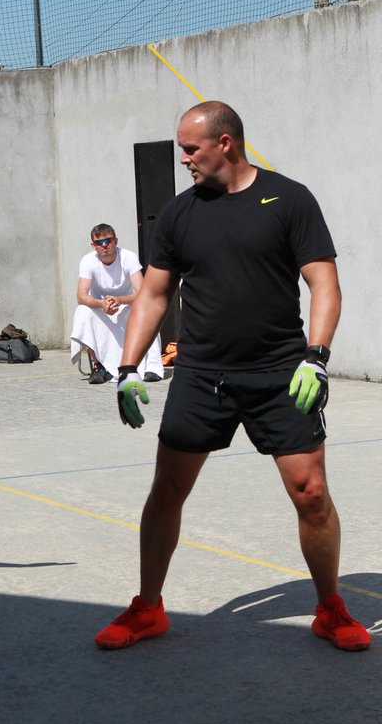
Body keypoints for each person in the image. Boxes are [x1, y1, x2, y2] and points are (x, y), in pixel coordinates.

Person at [96, 100, 370, 652]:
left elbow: (324, 284)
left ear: (225, 142)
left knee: (311, 493)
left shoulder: (289, 199)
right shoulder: (179, 214)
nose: (184, 160)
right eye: (180, 149)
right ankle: (149, 607)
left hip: (280, 374)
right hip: (201, 375)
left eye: (191, 149)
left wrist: (317, 356)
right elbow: (153, 294)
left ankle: (330, 607)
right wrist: (127, 368)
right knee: (167, 490)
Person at [70, 224, 164, 384]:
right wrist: (102, 304)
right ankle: (99, 367)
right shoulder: (87, 261)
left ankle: (153, 367)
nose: (104, 245)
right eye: (99, 242)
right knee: (83, 311)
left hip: (127, 307)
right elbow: (81, 296)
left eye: (108, 240)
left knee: (148, 308)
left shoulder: (129, 257)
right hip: (103, 309)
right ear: (93, 245)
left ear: (115, 241)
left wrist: (119, 300)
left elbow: (143, 292)